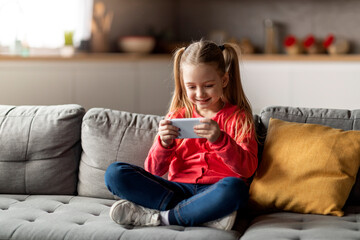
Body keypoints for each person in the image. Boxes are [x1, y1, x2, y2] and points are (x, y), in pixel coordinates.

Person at [104, 40, 258, 230]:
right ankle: (200, 214)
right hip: (177, 189)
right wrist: (164, 143)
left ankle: (163, 218)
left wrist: (220, 140)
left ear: (224, 80)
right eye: (192, 87)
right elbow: (153, 170)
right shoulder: (177, 116)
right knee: (115, 173)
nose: (200, 93)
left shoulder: (239, 118)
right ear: (183, 85)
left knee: (236, 189)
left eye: (208, 85)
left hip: (215, 190)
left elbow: (248, 169)